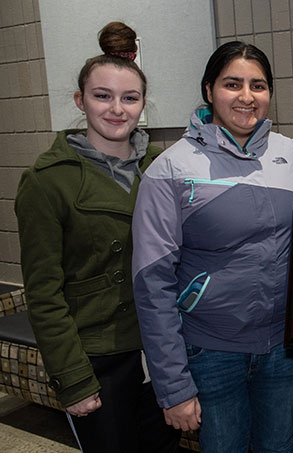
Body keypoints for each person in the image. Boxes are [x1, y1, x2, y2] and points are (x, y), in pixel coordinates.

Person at [131, 41, 293, 453]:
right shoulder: (171, 169)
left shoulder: (292, 157)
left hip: (283, 351)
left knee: (279, 448)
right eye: (233, 84)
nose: (247, 97)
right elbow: (151, 282)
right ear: (209, 90)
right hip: (210, 352)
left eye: (258, 85)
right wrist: (173, 386)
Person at [14, 22, 180, 453]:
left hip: (160, 348)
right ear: (80, 100)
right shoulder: (48, 182)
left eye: (130, 98)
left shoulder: (163, 168)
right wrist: (72, 379)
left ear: (143, 104)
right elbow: (44, 293)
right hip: (97, 357)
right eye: (102, 96)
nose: (116, 109)